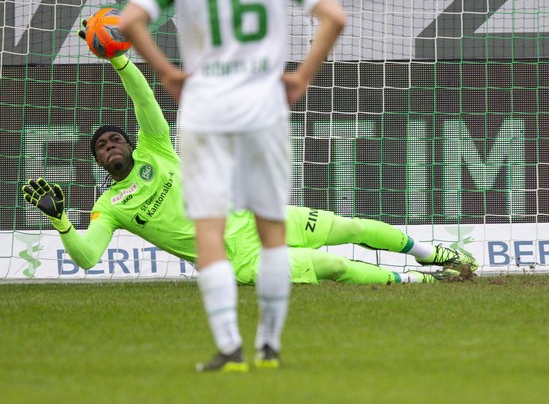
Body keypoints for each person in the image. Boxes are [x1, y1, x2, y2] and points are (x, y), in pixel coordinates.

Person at [116, 0, 346, 372]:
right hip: (262, 104)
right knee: (270, 229)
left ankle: (227, 346)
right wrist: (302, 76)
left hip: (206, 107)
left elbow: (130, 21)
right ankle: (269, 344)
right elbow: (334, 17)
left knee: (209, 228)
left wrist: (171, 74)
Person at [20, 50, 476, 283]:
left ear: (131, 144)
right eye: (100, 147)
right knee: (331, 266)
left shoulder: (156, 150)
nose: (109, 146)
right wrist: (61, 221)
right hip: (240, 257)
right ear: (98, 161)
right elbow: (87, 257)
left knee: (349, 225)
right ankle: (413, 281)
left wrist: (119, 59)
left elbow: (144, 100)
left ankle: (431, 253)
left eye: (115, 138)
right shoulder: (109, 205)